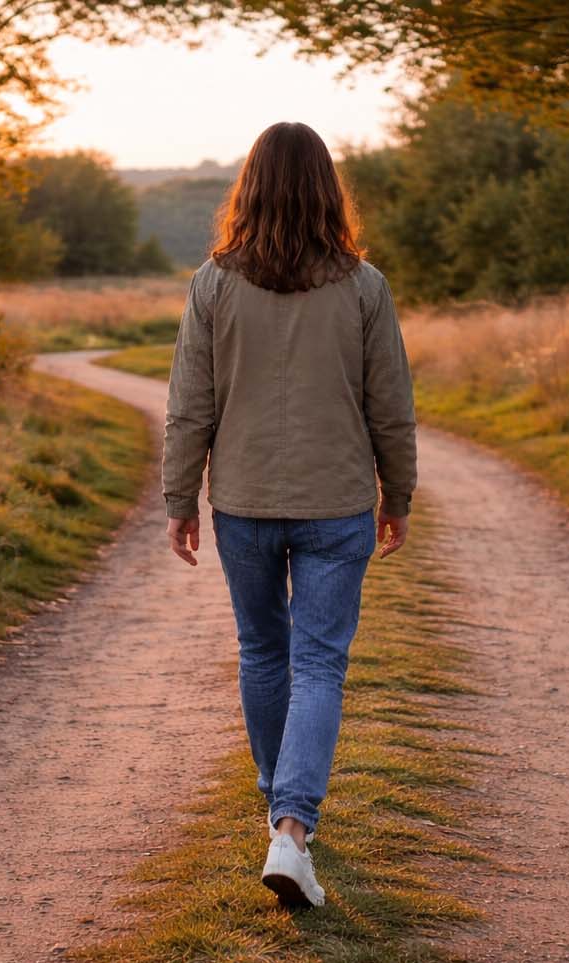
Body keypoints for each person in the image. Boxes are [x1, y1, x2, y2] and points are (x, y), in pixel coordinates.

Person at [160, 121, 418, 909]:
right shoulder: (363, 286)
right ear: (326, 190)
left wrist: (180, 501)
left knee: (264, 652)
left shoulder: (212, 282)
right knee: (317, 664)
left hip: (242, 501)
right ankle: (291, 826)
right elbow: (392, 409)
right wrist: (397, 496)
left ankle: (284, 811)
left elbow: (187, 409)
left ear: (250, 187)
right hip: (336, 503)